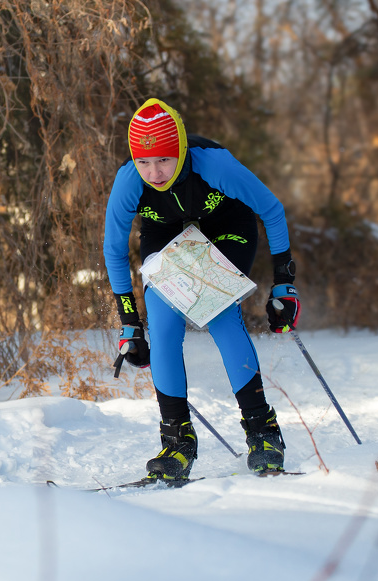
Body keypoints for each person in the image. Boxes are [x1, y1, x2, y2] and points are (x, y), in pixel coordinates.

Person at [102, 97, 302, 480]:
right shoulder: (129, 180)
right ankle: (177, 441)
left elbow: (272, 210)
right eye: (144, 162)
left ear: (179, 151)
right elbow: (113, 252)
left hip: (226, 225)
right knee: (161, 323)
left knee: (220, 312)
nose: (155, 172)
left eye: (164, 160)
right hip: (166, 233)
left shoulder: (213, 162)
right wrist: (130, 323)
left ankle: (263, 431)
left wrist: (285, 285)